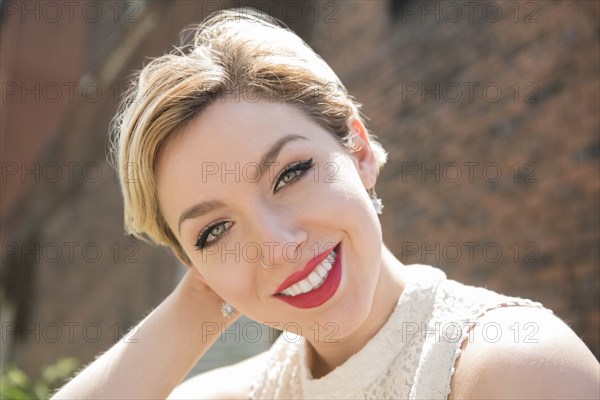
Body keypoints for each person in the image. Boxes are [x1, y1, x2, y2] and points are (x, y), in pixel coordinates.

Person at [53, 8, 599, 400]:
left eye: (290, 173)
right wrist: (208, 296)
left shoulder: (514, 368)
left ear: (358, 150)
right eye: (214, 230)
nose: (277, 245)